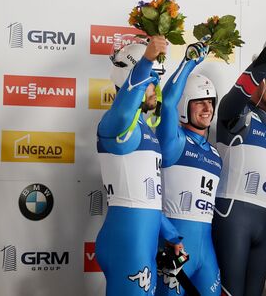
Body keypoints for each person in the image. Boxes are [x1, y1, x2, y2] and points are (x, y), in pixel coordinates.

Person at [212, 23, 266, 295]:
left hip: (263, 227)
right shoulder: (236, 113)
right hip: (232, 219)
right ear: (258, 81)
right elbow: (239, 89)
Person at [95, 36, 183, 295]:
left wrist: (172, 236)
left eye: (157, 79)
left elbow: (150, 198)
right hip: (127, 240)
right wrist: (146, 61)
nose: (156, 84)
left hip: (140, 238)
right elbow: (124, 110)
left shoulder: (144, 128)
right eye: (151, 80)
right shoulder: (116, 122)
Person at [153, 42, 223, 295]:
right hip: (175, 245)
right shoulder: (174, 141)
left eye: (210, 102)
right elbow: (168, 103)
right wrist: (190, 61)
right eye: (199, 102)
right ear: (185, 106)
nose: (207, 109)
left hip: (206, 248)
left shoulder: (216, 154)